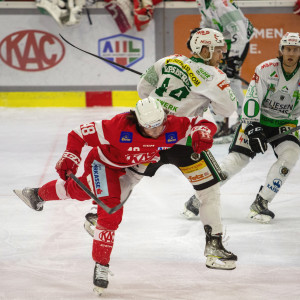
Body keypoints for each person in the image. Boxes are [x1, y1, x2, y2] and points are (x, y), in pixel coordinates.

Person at [14, 97, 237, 296]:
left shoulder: (173, 124)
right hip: (103, 164)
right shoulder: (117, 126)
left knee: (79, 190)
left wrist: (202, 133)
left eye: (159, 124)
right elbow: (78, 133)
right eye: (149, 127)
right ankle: (101, 264)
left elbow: (201, 123)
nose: (156, 131)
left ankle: (36, 194)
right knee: (111, 210)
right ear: (138, 122)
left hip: (132, 165)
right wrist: (70, 155)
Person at [85, 27, 238, 268]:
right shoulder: (214, 75)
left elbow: (143, 90)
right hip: (184, 139)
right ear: (205, 50)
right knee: (208, 191)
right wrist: (204, 103)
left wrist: (164, 107)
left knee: (130, 177)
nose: (222, 55)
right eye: (218, 50)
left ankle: (98, 216)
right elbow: (227, 110)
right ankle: (215, 248)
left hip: (149, 135)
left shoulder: (168, 61)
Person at [184, 32, 300, 224]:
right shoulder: (266, 69)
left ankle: (262, 202)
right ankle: (198, 198)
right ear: (281, 50)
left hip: (285, 124)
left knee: (291, 154)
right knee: (236, 161)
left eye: (295, 50)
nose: (291, 53)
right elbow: (252, 97)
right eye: (287, 49)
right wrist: (253, 127)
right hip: (258, 121)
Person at [196, 0, 254, 139]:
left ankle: (245, 121)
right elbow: (207, 22)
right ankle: (220, 124)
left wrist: (233, 58)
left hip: (238, 41)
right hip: (223, 42)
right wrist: (200, 34)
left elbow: (240, 31)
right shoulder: (202, 2)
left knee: (232, 81)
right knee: (210, 80)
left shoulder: (220, 4)